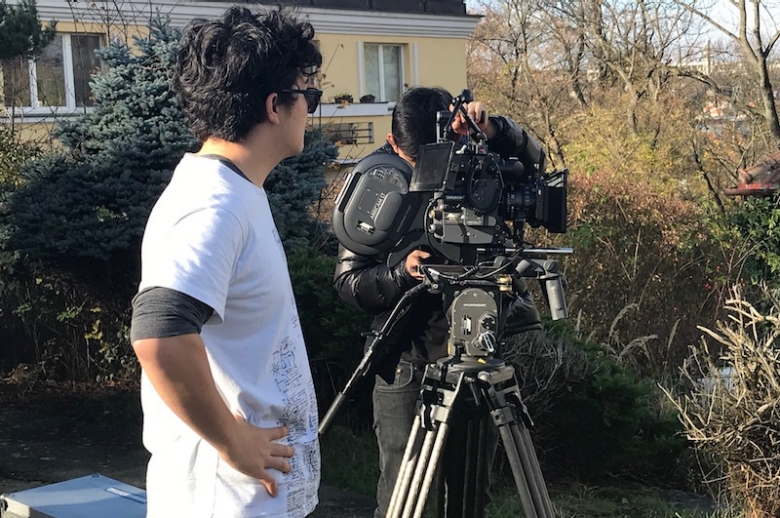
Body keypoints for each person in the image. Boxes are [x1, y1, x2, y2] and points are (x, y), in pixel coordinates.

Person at [129, 6, 323, 517]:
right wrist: (235, 441)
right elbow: (159, 333)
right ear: (275, 106)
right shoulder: (213, 204)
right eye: (310, 96)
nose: (311, 110)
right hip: (226, 503)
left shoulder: (234, 193)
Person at [333, 86, 545, 518]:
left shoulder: (479, 167)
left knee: (469, 501)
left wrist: (496, 129)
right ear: (393, 146)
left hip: (478, 357)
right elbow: (349, 284)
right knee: (404, 497)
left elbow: (534, 164)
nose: (432, 172)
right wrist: (399, 273)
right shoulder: (375, 194)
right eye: (418, 162)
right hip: (407, 363)